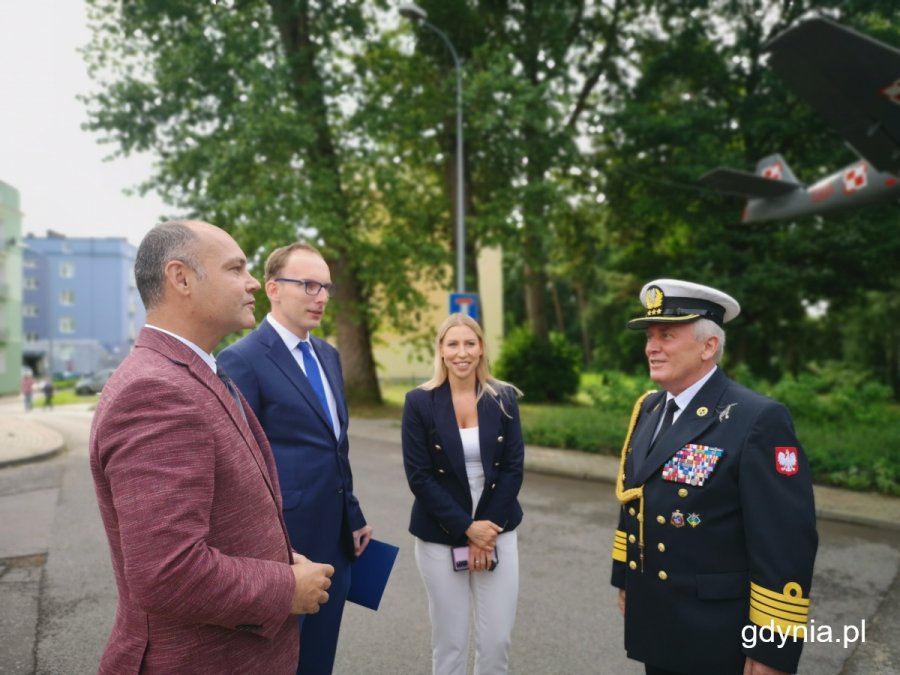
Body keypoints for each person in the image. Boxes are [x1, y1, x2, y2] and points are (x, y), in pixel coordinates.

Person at [89, 220, 334, 674]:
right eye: (236, 268)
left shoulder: (191, 370)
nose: (254, 281)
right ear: (180, 278)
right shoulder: (155, 391)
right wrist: (284, 586)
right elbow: (166, 572)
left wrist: (279, 558)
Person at [609, 279, 818, 675]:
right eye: (650, 336)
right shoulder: (650, 409)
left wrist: (771, 646)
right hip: (657, 618)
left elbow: (783, 543)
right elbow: (635, 500)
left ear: (709, 347)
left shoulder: (756, 419)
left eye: (667, 335)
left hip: (717, 634)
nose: (651, 347)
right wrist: (626, 578)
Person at [219, 242, 372, 675]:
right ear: (273, 288)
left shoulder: (329, 356)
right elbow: (238, 465)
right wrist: (266, 548)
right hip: (283, 549)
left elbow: (334, 447)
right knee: (279, 662)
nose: (321, 296)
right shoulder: (242, 359)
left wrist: (354, 516)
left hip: (337, 541)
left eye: (326, 286)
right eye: (308, 285)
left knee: (319, 658)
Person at [401, 313, 524, 675]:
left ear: (482, 347)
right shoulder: (419, 402)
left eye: (470, 343)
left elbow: (513, 467)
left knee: (496, 641)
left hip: (498, 530)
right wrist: (467, 529)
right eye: (453, 344)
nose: (462, 353)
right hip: (440, 533)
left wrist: (486, 532)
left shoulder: (503, 398)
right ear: (440, 350)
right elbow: (420, 477)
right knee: (450, 642)